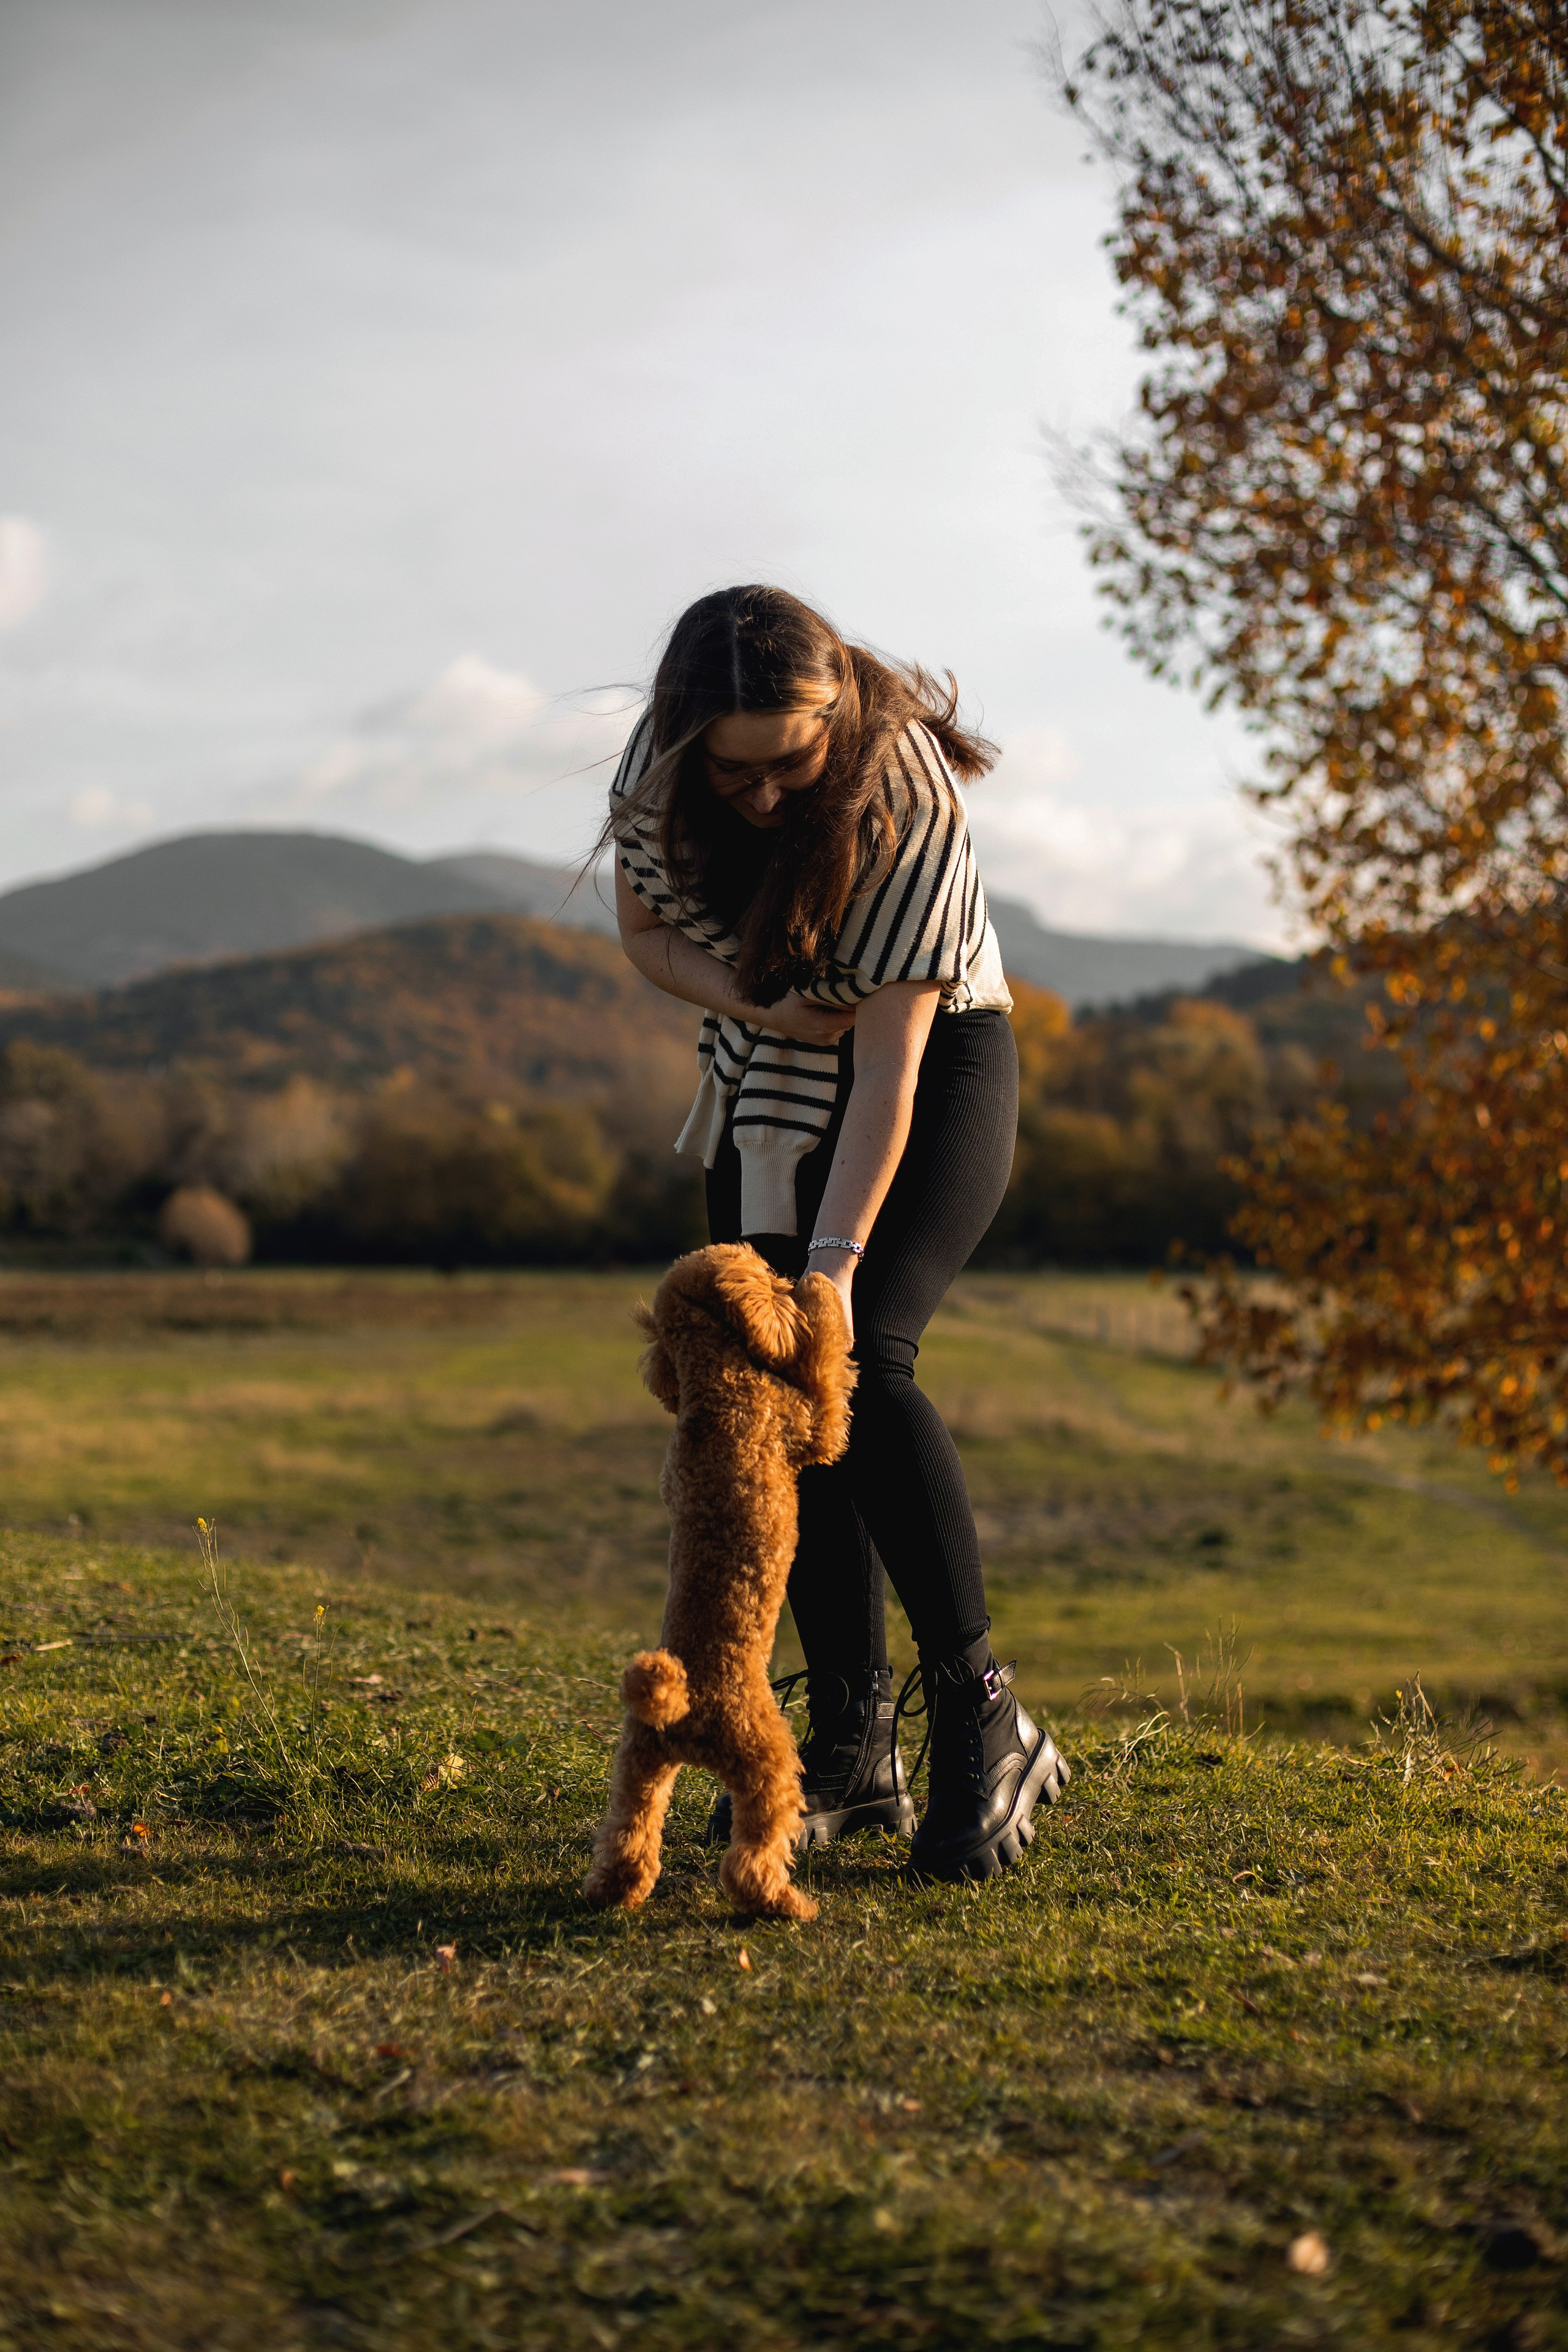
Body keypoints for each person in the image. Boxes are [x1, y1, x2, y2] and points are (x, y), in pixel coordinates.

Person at [605, 584, 1067, 1883]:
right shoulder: (660, 775)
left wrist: (832, 1269)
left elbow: (889, 1068)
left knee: (858, 1358)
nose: (761, 796)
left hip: (933, 1054)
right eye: (733, 771)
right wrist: (763, 1008)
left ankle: (985, 1712)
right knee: (764, 1392)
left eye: (789, 764)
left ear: (836, 725)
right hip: (769, 1056)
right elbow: (646, 933)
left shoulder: (904, 795)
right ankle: (853, 1742)